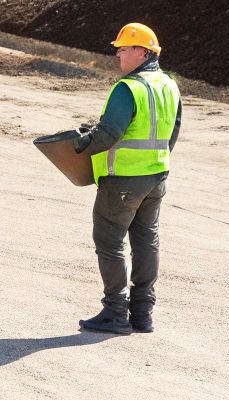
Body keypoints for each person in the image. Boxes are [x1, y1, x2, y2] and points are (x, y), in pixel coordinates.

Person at [73, 22, 182, 334]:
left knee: (109, 241)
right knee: (147, 239)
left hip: (123, 179)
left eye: (123, 48)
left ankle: (115, 312)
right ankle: (142, 314)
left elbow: (108, 134)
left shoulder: (128, 88)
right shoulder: (169, 85)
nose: (118, 53)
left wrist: (80, 144)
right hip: (156, 176)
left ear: (142, 52)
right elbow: (172, 132)